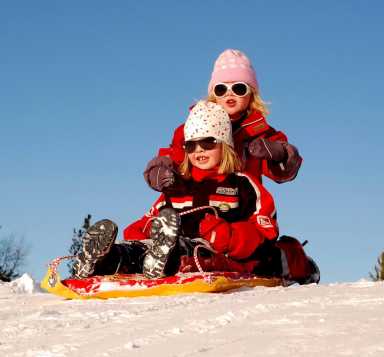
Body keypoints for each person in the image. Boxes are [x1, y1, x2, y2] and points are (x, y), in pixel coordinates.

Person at [73, 101, 319, 284]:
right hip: (165, 244)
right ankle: (105, 259)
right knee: (138, 251)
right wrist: (141, 233)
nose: (199, 150)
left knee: (187, 251)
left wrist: (229, 236)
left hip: (210, 251)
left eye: (208, 142)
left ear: (225, 145)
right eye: (191, 145)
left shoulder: (242, 185)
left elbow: (265, 233)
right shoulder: (179, 186)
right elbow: (147, 220)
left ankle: (160, 258)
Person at [144, 49, 303, 193]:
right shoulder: (195, 127)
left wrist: (280, 154)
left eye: (239, 88)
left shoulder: (260, 133)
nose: (229, 94)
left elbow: (283, 174)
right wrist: (160, 169)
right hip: (201, 198)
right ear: (214, 95)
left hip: (244, 205)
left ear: (251, 94)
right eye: (221, 89)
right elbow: (176, 155)